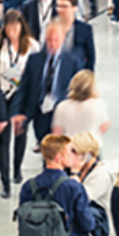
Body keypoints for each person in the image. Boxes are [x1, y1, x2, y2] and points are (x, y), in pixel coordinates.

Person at [11, 21, 81, 150]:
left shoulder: (73, 63)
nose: (52, 44)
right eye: (49, 40)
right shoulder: (34, 60)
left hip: (61, 115)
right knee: (47, 151)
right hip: (40, 113)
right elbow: (24, 87)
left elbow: (76, 93)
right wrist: (17, 112)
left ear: (63, 39)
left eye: (56, 40)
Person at [0, 10, 39, 198]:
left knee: (20, 132)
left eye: (16, 26)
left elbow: (36, 71)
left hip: (22, 95)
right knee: (4, 138)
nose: (12, 30)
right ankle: (5, 182)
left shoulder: (32, 46)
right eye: (9, 26)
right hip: (4, 94)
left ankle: (17, 168)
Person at [52, 69, 110, 144]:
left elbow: (57, 132)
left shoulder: (62, 106)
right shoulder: (99, 104)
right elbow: (104, 126)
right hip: (91, 147)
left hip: (70, 148)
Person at [56, 0, 96, 71]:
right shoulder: (51, 27)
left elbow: (91, 55)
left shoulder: (85, 29)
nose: (60, 10)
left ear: (74, 8)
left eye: (65, 7)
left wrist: (88, 75)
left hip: (77, 72)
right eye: (58, 6)